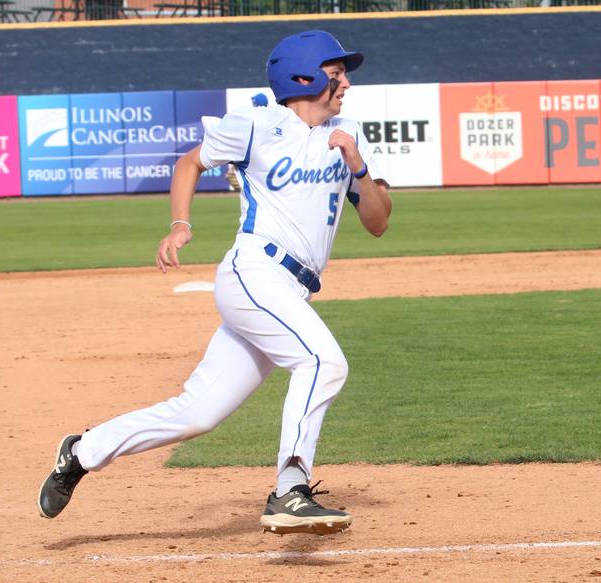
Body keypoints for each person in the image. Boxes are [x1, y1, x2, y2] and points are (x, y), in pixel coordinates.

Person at [37, 29, 392, 536]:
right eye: (336, 73)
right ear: (302, 77)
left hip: (291, 289)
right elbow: (189, 163)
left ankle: (83, 451)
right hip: (253, 272)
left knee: (197, 413)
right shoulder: (254, 125)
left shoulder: (350, 133)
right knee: (323, 361)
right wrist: (181, 224)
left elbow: (378, 221)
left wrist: (357, 167)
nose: (346, 84)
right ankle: (290, 489)